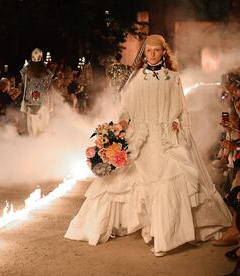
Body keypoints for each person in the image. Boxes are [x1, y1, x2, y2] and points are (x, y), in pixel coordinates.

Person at [64, 34, 232, 256]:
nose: (152, 55)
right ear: (144, 53)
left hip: (165, 137)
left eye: (157, 50)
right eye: (149, 51)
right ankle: (147, 225)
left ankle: (165, 235)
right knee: (129, 179)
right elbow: (127, 110)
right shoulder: (134, 79)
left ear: (164, 52)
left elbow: (180, 109)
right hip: (140, 136)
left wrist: (175, 123)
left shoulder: (173, 78)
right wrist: (120, 125)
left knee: (169, 178)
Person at [20, 48, 53, 136]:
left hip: (40, 104)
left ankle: (39, 145)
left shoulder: (45, 72)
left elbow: (49, 88)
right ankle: (37, 146)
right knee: (35, 128)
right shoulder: (27, 71)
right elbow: (24, 87)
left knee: (38, 128)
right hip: (34, 103)